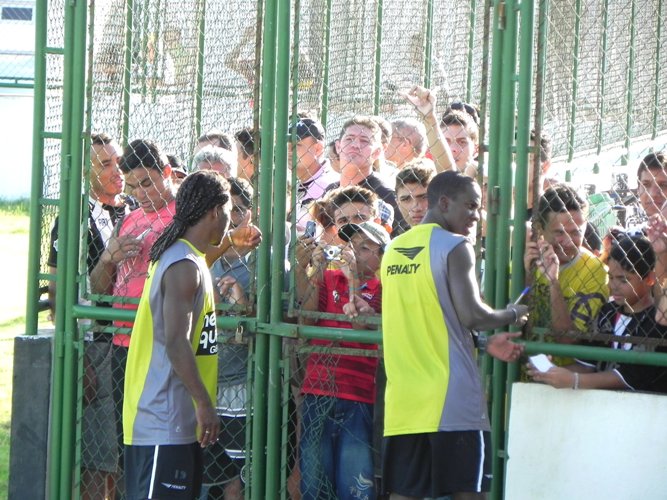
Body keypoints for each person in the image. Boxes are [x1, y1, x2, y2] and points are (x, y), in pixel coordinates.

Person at [380, 170, 528, 499]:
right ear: (444, 203)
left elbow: (429, 318)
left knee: (405, 493)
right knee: (468, 492)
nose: (476, 216)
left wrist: (483, 343)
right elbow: (472, 315)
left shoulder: (393, 250)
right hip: (452, 398)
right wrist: (513, 313)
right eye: (471, 206)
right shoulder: (455, 246)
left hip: (404, 399)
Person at [123, 170, 231, 499]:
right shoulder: (182, 264)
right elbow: (175, 342)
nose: (229, 220)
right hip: (162, 421)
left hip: (173, 424)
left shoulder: (187, 258)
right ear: (215, 211)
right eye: (228, 211)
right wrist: (204, 403)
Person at [47, 132, 130, 500]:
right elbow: (58, 294)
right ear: (85, 171)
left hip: (133, 343)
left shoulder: (132, 208)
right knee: (100, 460)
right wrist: (82, 359)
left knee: (129, 454)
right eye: (106, 164)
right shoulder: (75, 217)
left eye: (119, 162)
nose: (118, 172)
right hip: (96, 347)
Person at [295, 221, 389, 500]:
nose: (353, 252)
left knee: (355, 485)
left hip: (358, 396)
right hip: (317, 390)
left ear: (382, 255)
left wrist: (355, 283)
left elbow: (361, 327)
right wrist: (309, 269)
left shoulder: (384, 285)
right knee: (314, 483)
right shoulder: (330, 278)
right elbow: (307, 316)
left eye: (364, 248)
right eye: (351, 245)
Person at [529, 235, 667, 393]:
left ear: (649, 279)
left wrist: (574, 380)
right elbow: (588, 364)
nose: (613, 286)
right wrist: (551, 372)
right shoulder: (607, 312)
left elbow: (629, 377)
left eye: (623, 280)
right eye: (611, 277)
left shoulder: (658, 320)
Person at [524, 185, 608, 342]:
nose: (568, 242)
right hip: (523, 361)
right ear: (540, 229)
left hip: (564, 366)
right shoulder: (528, 258)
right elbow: (512, 319)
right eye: (559, 233)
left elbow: (569, 340)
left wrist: (553, 282)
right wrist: (527, 275)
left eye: (576, 232)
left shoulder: (595, 270)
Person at [326, 116, 406, 235]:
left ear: (377, 152)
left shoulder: (386, 195)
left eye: (364, 141)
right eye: (349, 139)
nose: (355, 145)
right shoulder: (330, 190)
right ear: (338, 147)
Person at [289, 116, 339, 231]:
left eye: (297, 145)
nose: (289, 151)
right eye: (287, 144)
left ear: (318, 149)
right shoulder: (297, 180)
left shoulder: (329, 184)